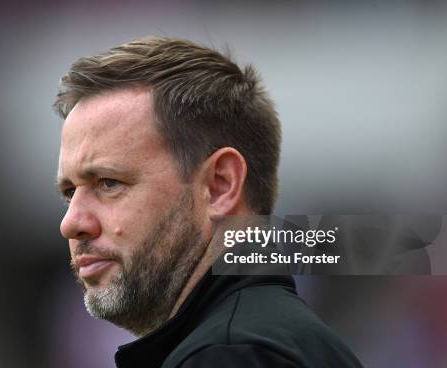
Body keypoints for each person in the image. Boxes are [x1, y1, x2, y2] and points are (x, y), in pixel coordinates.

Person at [54, 36, 362, 368]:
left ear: (220, 186)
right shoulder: (268, 341)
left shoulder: (229, 355)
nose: (71, 223)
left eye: (108, 183)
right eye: (70, 192)